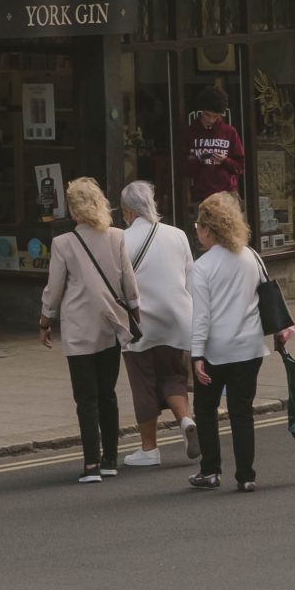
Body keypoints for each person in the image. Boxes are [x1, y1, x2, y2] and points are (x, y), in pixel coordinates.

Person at [187, 189, 292, 492]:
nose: (197, 232)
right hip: (249, 348)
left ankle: (210, 471)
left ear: (209, 228)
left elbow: (201, 317)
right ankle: (246, 476)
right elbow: (266, 298)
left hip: (217, 350)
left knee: (206, 409)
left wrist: (196, 355)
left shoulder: (202, 267)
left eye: (199, 226)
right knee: (241, 412)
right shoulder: (251, 256)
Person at [39, 177, 140, 482]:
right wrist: (135, 313)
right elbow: (128, 282)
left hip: (79, 329)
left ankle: (91, 465)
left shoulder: (62, 243)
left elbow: (54, 288)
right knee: (108, 394)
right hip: (110, 325)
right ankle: (110, 459)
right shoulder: (117, 236)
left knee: (86, 398)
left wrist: (45, 319)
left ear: (73, 209)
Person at [115, 180, 197, 469]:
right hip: (178, 319)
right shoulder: (178, 235)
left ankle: (149, 450)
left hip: (141, 325)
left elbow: (119, 287)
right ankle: (186, 420)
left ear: (127, 211)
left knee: (143, 382)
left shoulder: (121, 240)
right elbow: (189, 280)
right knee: (174, 376)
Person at [181, 86, 246, 209]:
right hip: (202, 196)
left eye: (215, 116)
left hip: (227, 195)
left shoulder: (229, 132)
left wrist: (224, 160)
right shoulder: (190, 133)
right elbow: (183, 168)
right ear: (201, 112)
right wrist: (198, 158)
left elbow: (240, 166)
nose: (211, 119)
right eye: (207, 115)